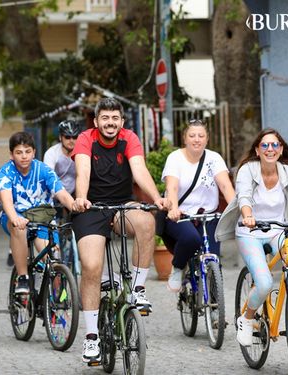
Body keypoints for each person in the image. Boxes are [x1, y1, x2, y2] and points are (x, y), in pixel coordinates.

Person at [214, 128, 288, 347]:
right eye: (265, 145)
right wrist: (248, 215)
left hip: (278, 231)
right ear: (257, 150)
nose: (270, 149)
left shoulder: (287, 172)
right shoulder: (247, 171)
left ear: (280, 150)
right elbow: (244, 195)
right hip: (250, 232)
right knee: (264, 283)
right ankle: (247, 319)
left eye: (274, 145)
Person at [71, 97, 168, 363]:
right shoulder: (85, 139)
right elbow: (83, 172)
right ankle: (91, 337)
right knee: (91, 267)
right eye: (105, 118)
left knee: (147, 221)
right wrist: (81, 197)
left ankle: (137, 289)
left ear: (121, 121)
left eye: (115, 118)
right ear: (96, 121)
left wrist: (156, 197)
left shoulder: (129, 138)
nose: (110, 123)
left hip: (122, 204)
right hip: (90, 207)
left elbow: (139, 170)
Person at [162, 119, 235, 292]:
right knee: (191, 239)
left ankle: (217, 311)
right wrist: (173, 209)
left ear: (207, 139)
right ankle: (178, 268)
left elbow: (225, 186)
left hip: (208, 216)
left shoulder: (214, 158)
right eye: (192, 135)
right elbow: (171, 187)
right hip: (181, 215)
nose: (197, 139)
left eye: (201, 136)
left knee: (214, 260)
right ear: (185, 139)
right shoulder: (175, 158)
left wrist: (237, 210)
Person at [0, 132, 75, 294]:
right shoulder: (6, 172)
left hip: (42, 219)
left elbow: (60, 192)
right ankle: (23, 277)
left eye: (27, 151)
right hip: (16, 217)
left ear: (34, 152)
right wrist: (15, 218)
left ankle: (55, 302)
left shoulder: (44, 170)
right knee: (19, 229)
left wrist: (74, 206)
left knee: (53, 260)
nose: (24, 156)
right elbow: (6, 201)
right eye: (19, 152)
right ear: (12, 155)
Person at [43, 120, 80, 196]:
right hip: (54, 195)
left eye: (75, 137)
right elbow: (48, 179)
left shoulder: (82, 154)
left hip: (76, 195)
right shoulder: (51, 153)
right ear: (60, 137)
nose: (71, 140)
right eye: (67, 137)